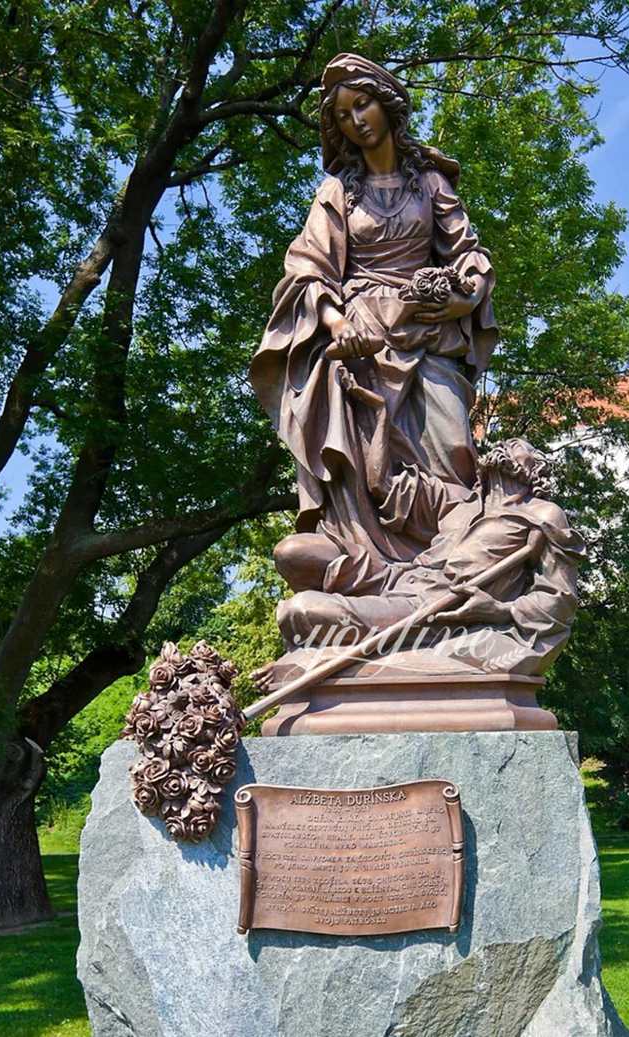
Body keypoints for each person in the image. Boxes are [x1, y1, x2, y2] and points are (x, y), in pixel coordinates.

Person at [249, 53, 497, 564]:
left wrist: (460, 297)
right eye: (342, 115)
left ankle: (454, 566)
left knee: (451, 449)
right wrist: (339, 324)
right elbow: (308, 267)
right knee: (365, 465)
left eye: (362, 105)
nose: (355, 120)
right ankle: (370, 565)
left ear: (386, 104)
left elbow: (468, 254)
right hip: (362, 338)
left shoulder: (431, 183)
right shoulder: (337, 190)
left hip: (425, 328)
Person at [257, 437, 586, 682]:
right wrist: (380, 411)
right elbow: (381, 484)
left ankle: (319, 655)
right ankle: (324, 645)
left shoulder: (542, 515)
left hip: (432, 605)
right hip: (394, 578)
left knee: (301, 610)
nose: (511, 442)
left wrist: (499, 610)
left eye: (523, 446)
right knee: (294, 553)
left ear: (535, 471)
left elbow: (560, 599)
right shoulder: (460, 501)